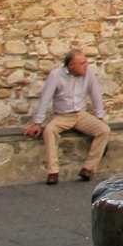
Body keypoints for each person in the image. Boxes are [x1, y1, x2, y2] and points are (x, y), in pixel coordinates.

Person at [23, 48, 110, 185]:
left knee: (104, 130)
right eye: (82, 63)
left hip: (81, 115)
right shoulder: (56, 76)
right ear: (71, 66)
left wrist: (100, 118)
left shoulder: (88, 74)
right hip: (62, 116)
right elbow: (45, 98)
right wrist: (37, 123)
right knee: (50, 131)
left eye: (85, 62)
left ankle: (88, 168)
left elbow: (95, 95)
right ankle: (53, 172)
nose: (85, 65)